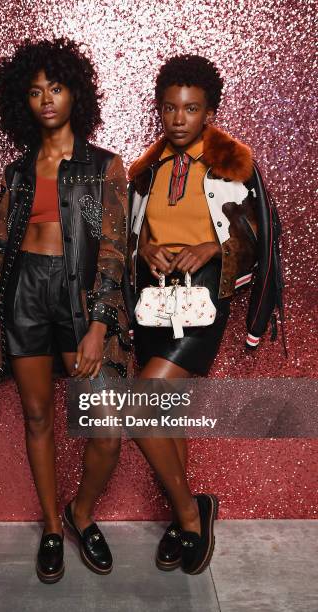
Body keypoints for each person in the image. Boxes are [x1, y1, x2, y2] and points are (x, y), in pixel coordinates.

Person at [0, 37, 132, 583]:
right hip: (24, 293)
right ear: (22, 101)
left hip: (79, 299)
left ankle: (82, 512)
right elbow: (3, 247)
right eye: (35, 91)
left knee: (105, 428)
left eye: (55, 88)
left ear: (75, 93)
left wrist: (100, 321)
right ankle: (54, 526)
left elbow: (115, 250)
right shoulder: (18, 172)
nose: (47, 99)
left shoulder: (104, 166)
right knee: (37, 418)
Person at [126, 54, 284, 575]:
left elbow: (260, 235)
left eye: (191, 109)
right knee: (166, 414)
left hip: (202, 301)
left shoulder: (233, 164)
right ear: (159, 110)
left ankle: (192, 515)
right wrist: (145, 249)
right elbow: (132, 233)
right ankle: (185, 514)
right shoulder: (146, 170)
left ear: (209, 112)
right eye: (169, 108)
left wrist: (213, 249)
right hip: (153, 300)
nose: (178, 118)